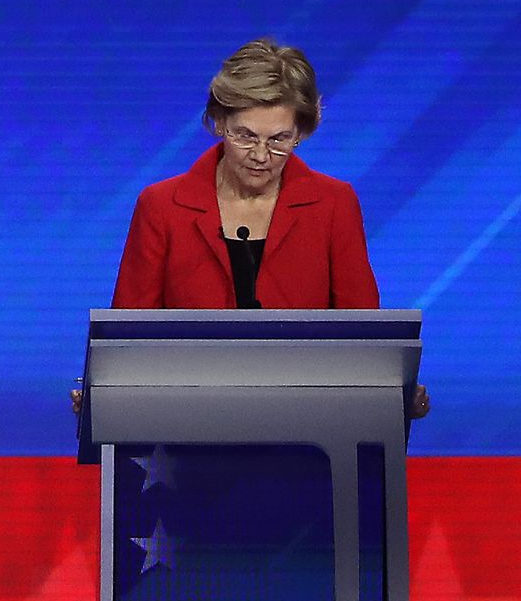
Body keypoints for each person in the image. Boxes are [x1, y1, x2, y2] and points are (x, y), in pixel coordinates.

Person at [93, 37, 428, 414]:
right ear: (219, 122)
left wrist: (393, 393)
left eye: (279, 139)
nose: (260, 155)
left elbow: (362, 332)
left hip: (309, 423)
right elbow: (129, 336)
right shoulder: (162, 206)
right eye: (246, 135)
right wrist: (103, 393)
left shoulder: (334, 204)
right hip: (187, 421)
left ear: (300, 132)